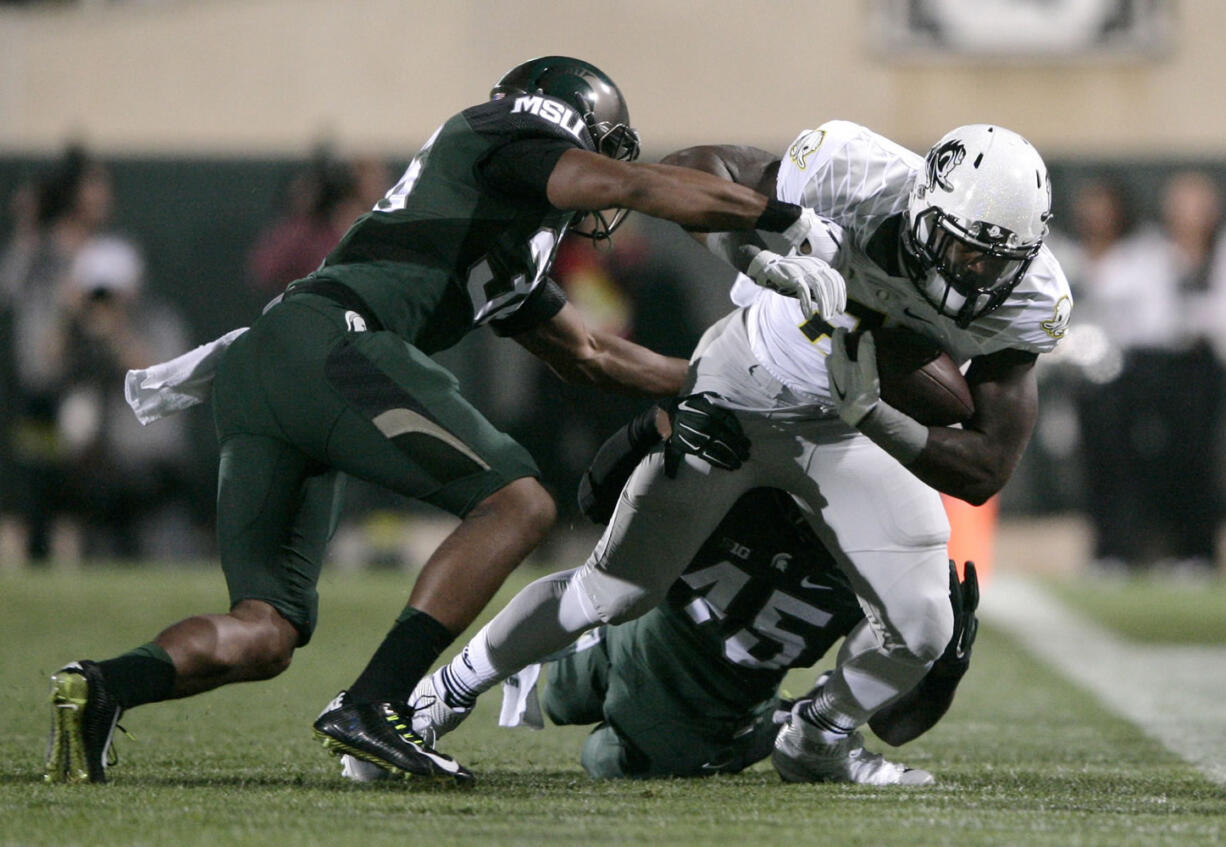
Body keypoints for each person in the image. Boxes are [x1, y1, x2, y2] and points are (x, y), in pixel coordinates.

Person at [43, 56, 845, 786]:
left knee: (267, 631)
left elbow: (595, 353)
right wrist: (784, 218)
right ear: (570, 121)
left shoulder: (500, 235)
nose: (607, 163)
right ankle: (378, 701)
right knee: (520, 501)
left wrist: (730, 382)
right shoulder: (506, 134)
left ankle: (102, 686)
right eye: (602, 145)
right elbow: (629, 186)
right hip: (331, 342)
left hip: (272, 363)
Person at [411, 120, 1071, 786]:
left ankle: (818, 734)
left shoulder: (1034, 301)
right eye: (958, 247)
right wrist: (753, 256)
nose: (973, 271)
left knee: (923, 622)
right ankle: (444, 690)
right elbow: (694, 168)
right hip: (745, 381)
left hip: (847, 431)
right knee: (614, 587)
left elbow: (987, 468)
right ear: (923, 207)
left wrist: (868, 411)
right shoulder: (855, 170)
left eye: (994, 260)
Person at [344, 404, 978, 781]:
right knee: (581, 657)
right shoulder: (764, 483)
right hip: (628, 649)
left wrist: (941, 665)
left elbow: (889, 715)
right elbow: (596, 506)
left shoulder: (884, 556)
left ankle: (436, 697)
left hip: (686, 711)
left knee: (608, 753)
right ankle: (436, 697)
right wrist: (653, 429)